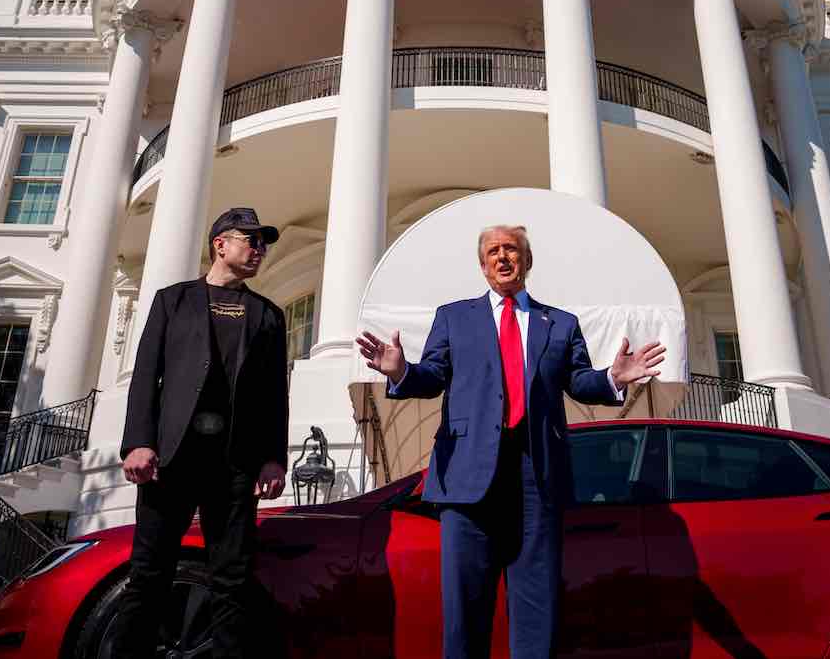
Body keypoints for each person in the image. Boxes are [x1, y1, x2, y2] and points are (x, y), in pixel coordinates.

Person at [357, 224, 664, 659]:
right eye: (494, 251)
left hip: (535, 477)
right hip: (467, 481)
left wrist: (613, 377)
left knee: (538, 614)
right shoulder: (454, 317)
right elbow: (431, 377)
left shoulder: (560, 322)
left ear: (527, 261)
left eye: (512, 250)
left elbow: (578, 380)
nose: (503, 257)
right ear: (483, 266)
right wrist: (400, 371)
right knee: (464, 615)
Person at [116, 207, 289, 658]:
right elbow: (146, 376)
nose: (260, 250)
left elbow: (275, 393)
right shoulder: (172, 300)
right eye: (251, 240)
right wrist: (138, 441)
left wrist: (274, 457)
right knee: (148, 574)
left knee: (232, 579)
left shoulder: (268, 315)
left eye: (263, 243)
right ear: (221, 245)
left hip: (234, 465)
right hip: (170, 459)